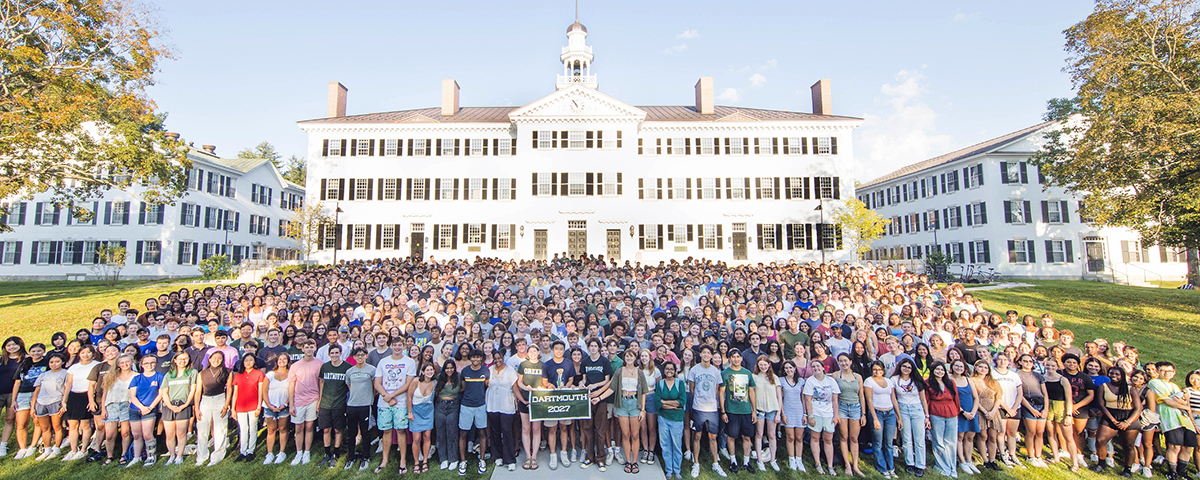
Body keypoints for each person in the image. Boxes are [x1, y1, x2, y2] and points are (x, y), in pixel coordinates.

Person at [1147, 362, 1198, 480]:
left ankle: (1182, 472)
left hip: (1185, 420)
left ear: (1174, 373)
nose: (1166, 373)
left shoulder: (1175, 386)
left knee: (1187, 447)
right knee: (1174, 446)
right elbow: (1167, 401)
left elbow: (1184, 401)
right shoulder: (1155, 383)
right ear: (1158, 371)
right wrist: (1185, 406)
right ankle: (1172, 472)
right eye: (1163, 371)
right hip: (1170, 419)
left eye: (1169, 371)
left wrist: (1184, 404)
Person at [374, 335, 416, 474]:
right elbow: (377, 383)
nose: (397, 347)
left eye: (400, 345)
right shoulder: (383, 362)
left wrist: (392, 396)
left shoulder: (409, 362)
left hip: (401, 402)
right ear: (391, 345)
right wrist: (386, 397)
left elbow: (408, 384)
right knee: (386, 431)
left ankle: (403, 460)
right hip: (384, 403)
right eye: (395, 345)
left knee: (400, 430)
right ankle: (384, 460)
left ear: (404, 346)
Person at [687, 344, 727, 478]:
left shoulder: (715, 371)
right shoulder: (694, 370)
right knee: (697, 436)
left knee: (713, 436)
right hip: (698, 407)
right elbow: (692, 389)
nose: (705, 355)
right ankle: (696, 463)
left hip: (712, 408)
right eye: (703, 353)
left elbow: (716, 389)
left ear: (711, 356)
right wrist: (699, 400)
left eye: (708, 353)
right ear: (700, 355)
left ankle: (716, 463)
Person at [1095, 366, 1142, 476]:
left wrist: (1127, 422)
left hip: (1129, 416)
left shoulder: (1131, 389)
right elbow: (1101, 404)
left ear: (1122, 376)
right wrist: (1112, 419)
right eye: (1111, 373)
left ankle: (1127, 469)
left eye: (1117, 374)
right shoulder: (1103, 386)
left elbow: (1138, 408)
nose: (1113, 376)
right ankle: (1101, 463)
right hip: (1110, 415)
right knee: (1100, 440)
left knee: (1128, 445)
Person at [612, 347, 648, 474]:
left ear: (635, 358)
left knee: (635, 434)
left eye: (631, 356)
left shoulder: (639, 373)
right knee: (625, 434)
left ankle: (635, 462)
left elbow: (643, 392)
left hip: (635, 404)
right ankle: (628, 461)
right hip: (622, 403)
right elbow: (611, 388)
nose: (629, 358)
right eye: (626, 356)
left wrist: (643, 410)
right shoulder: (619, 371)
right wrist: (598, 396)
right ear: (624, 358)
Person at [579, 338, 613, 470]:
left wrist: (596, 388)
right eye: (591, 346)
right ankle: (589, 457)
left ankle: (601, 458)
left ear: (599, 347)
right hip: (587, 398)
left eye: (595, 346)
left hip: (600, 398)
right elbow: (584, 378)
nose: (593, 348)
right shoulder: (585, 361)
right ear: (588, 348)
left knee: (600, 429)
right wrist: (583, 384)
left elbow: (607, 380)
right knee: (587, 429)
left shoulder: (604, 361)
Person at [11, 343, 47, 460]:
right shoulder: (24, 364)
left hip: (39, 394)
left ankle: (33, 445)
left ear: (43, 352)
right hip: (23, 394)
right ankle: (22, 448)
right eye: (33, 351)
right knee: (21, 423)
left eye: (38, 351)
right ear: (29, 352)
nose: (36, 353)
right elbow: (17, 382)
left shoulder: (47, 363)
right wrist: (13, 400)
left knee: (37, 421)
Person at [804, 358, 840, 476]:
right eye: (813, 367)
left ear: (823, 368)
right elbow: (808, 400)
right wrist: (810, 416)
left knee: (828, 439)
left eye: (818, 366)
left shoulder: (831, 381)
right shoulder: (810, 381)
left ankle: (830, 465)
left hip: (828, 414)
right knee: (815, 438)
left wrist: (836, 415)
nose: (816, 368)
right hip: (816, 413)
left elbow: (835, 400)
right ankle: (818, 463)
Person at [288, 339, 322, 465]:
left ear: (314, 348)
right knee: (298, 428)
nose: (309, 349)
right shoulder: (295, 366)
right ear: (302, 349)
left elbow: (321, 382)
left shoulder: (319, 364)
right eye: (306, 347)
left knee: (309, 426)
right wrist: (291, 404)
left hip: (313, 399)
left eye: (311, 347)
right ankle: (299, 452)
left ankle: (307, 452)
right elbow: (291, 385)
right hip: (298, 400)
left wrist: (319, 399)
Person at [160, 350, 197, 466]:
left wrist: (185, 405)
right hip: (169, 405)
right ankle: (172, 455)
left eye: (185, 359)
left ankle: (179, 455)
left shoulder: (192, 372)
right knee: (169, 434)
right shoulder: (169, 374)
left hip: (184, 405)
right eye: (180, 359)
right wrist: (170, 406)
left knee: (181, 433)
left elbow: (192, 390)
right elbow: (164, 392)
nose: (182, 361)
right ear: (175, 361)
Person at [317, 343, 351, 467]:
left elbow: (350, 386)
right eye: (332, 353)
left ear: (341, 353)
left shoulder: (347, 367)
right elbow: (321, 382)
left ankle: (336, 453)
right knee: (326, 429)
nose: (335, 355)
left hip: (339, 403)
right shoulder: (325, 367)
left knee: (338, 429)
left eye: (337, 352)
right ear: (328, 354)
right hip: (325, 403)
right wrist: (320, 399)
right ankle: (327, 453)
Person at [865, 360, 900, 478]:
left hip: (890, 412)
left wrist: (898, 416)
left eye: (879, 369)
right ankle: (882, 467)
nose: (877, 371)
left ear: (883, 370)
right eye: (875, 369)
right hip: (877, 412)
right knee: (878, 442)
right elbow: (869, 400)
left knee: (889, 443)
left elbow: (894, 399)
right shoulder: (869, 381)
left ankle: (891, 468)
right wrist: (874, 418)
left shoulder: (889, 381)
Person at [894, 358, 928, 476]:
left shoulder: (917, 380)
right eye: (904, 366)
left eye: (909, 367)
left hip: (917, 409)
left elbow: (923, 399)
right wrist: (899, 417)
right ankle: (910, 463)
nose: (906, 369)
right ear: (900, 367)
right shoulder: (894, 380)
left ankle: (920, 465)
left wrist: (926, 415)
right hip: (903, 409)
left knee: (919, 438)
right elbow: (894, 399)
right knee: (907, 438)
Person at [62, 345, 98, 461]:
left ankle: (83, 449)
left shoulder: (96, 365)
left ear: (93, 353)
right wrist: (64, 400)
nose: (86, 355)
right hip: (74, 396)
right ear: (79, 354)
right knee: (72, 425)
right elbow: (69, 384)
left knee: (85, 425)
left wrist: (91, 398)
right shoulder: (73, 367)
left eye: (88, 352)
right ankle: (73, 450)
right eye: (83, 352)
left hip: (86, 396)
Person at [99, 354, 135, 465]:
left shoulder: (136, 376)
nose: (125, 364)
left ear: (132, 362)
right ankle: (109, 456)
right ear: (118, 364)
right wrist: (103, 409)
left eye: (127, 362)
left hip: (127, 405)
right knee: (110, 435)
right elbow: (104, 394)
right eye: (122, 363)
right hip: (111, 405)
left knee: (125, 432)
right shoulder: (111, 376)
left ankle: (123, 455)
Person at [344, 348, 376, 471]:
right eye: (357, 355)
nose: (360, 357)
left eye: (362, 355)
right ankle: (350, 457)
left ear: (366, 356)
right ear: (354, 357)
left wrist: (370, 398)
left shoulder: (371, 370)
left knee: (365, 432)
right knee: (351, 433)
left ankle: (365, 457)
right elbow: (349, 385)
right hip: (352, 405)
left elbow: (375, 386)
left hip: (365, 405)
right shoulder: (349, 371)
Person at [486, 349, 519, 471]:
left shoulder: (510, 370)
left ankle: (510, 459)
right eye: (495, 358)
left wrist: (522, 401)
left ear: (503, 357)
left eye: (499, 358)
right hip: (493, 404)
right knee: (495, 431)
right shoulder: (489, 370)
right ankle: (497, 456)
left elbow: (515, 387)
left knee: (507, 431)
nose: (497, 360)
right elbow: (486, 384)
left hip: (506, 405)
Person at [127, 355, 162, 466]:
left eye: (152, 362)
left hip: (150, 409)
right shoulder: (137, 378)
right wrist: (142, 408)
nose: (149, 365)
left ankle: (151, 456)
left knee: (147, 434)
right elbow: (132, 396)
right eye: (146, 363)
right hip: (135, 409)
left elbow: (160, 394)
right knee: (136, 435)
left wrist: (150, 408)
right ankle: (136, 457)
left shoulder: (159, 376)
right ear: (142, 365)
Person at [834, 352, 866, 477]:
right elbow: (834, 396)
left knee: (854, 438)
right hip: (842, 407)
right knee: (843, 436)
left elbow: (861, 396)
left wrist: (863, 414)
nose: (844, 363)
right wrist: (836, 413)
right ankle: (847, 464)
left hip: (855, 407)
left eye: (846, 361)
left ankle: (856, 465)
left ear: (850, 361)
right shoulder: (836, 375)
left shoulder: (857, 377)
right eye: (841, 361)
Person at [230, 351, 265, 464]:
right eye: (246, 360)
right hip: (240, 405)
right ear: (243, 362)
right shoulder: (238, 376)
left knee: (253, 428)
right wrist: (233, 408)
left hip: (253, 405)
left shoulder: (259, 374)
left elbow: (260, 391)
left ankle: (251, 451)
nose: (248, 362)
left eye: (251, 360)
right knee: (243, 429)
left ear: (254, 362)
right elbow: (235, 393)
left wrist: (259, 406)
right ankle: (243, 451)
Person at [31, 353, 67, 460]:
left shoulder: (65, 373)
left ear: (62, 362)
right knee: (45, 428)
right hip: (41, 402)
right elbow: (36, 391)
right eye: (51, 362)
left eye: (57, 362)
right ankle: (47, 449)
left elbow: (66, 389)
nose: (54, 364)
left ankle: (57, 448)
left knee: (57, 426)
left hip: (56, 401)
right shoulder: (43, 375)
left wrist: (63, 403)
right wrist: (33, 406)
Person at [459, 349, 490, 475]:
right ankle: (463, 461)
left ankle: (482, 459)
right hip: (466, 405)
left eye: (478, 357)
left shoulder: (485, 371)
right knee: (463, 434)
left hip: (480, 405)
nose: (475, 360)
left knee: (482, 432)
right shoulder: (465, 371)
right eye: (473, 357)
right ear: (470, 358)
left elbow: (486, 386)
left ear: (481, 359)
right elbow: (463, 387)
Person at [926, 362, 960, 478]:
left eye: (942, 370)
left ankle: (952, 467)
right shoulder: (928, 383)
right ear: (933, 370)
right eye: (937, 369)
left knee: (951, 442)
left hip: (951, 413)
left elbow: (956, 399)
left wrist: (957, 412)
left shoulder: (950, 383)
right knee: (938, 441)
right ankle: (942, 466)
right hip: (936, 413)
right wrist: (928, 417)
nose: (939, 372)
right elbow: (927, 400)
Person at [1017, 353, 1050, 467]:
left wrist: (1045, 409)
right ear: (1020, 362)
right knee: (1031, 431)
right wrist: (1031, 409)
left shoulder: (1038, 375)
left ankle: (1039, 456)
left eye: (1030, 361)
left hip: (1040, 404)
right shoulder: (1018, 375)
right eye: (1025, 361)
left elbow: (1045, 393)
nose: (1028, 363)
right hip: (1029, 404)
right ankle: (1031, 456)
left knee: (1040, 432)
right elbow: (1020, 395)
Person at [515, 343, 544, 470]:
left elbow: (546, 383)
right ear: (527, 353)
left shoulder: (543, 365)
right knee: (526, 429)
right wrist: (525, 387)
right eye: (530, 351)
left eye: (535, 351)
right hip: (525, 400)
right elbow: (519, 382)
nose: (532, 353)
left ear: (538, 352)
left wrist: (540, 388)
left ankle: (534, 456)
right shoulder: (523, 365)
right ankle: (528, 455)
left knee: (536, 429)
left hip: (538, 401)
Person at [950, 359, 982, 474]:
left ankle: (969, 460)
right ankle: (962, 461)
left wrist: (973, 412)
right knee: (960, 436)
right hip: (959, 412)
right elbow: (951, 399)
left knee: (970, 437)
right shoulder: (949, 380)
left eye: (961, 366)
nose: (959, 368)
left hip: (971, 412)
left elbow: (976, 398)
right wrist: (963, 412)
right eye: (956, 366)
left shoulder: (968, 380)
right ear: (952, 366)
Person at [991, 354, 1023, 467]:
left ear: (1009, 362)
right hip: (1001, 407)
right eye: (1000, 359)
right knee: (1001, 432)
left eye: (1005, 360)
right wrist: (1007, 408)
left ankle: (1013, 454)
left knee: (1012, 433)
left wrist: (1014, 408)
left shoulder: (1014, 375)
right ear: (996, 361)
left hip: (1014, 408)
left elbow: (1020, 393)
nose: (1002, 362)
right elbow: (994, 394)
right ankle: (1002, 454)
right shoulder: (992, 374)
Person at [971, 359, 1004, 471]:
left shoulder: (993, 382)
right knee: (983, 436)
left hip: (993, 411)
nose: (983, 369)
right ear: (976, 368)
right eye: (980, 367)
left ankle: (992, 460)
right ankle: (985, 459)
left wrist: (993, 411)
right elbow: (974, 397)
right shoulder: (972, 381)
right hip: (980, 410)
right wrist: (984, 411)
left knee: (993, 437)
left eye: (985, 367)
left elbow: (998, 397)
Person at [657, 361, 687, 480]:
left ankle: (677, 469)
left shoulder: (679, 384)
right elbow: (658, 402)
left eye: (671, 369)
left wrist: (666, 402)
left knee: (677, 445)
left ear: (675, 371)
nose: (669, 371)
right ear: (664, 371)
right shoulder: (661, 384)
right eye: (667, 369)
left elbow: (682, 401)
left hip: (677, 419)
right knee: (665, 445)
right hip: (663, 418)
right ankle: (669, 470)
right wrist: (673, 405)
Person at [750, 356, 780, 472]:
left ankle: (773, 459)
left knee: (772, 435)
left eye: (765, 365)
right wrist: (753, 410)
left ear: (769, 365)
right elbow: (751, 394)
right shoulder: (754, 377)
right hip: (759, 409)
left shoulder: (774, 378)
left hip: (772, 409)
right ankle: (760, 459)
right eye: (760, 365)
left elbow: (779, 397)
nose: (763, 367)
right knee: (759, 434)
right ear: (757, 365)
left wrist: (778, 413)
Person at [262, 353, 291, 465]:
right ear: (277, 361)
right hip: (270, 407)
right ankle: (270, 454)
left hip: (283, 406)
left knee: (283, 429)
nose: (282, 361)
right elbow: (264, 391)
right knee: (271, 430)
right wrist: (269, 405)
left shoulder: (290, 374)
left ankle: (281, 452)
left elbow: (291, 391)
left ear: (288, 362)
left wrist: (285, 404)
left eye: (285, 359)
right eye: (280, 359)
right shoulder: (270, 374)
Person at [408, 361, 436, 474]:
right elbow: (409, 397)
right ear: (423, 372)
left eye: (432, 370)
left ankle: (425, 461)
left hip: (428, 412)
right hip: (416, 411)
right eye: (427, 370)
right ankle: (416, 462)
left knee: (427, 436)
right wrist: (409, 412)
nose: (430, 372)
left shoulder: (435, 383)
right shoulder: (416, 381)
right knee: (416, 438)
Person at [434, 358, 462, 471]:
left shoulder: (459, 377)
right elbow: (435, 390)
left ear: (454, 368)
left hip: (453, 405)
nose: (449, 370)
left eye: (451, 368)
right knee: (440, 432)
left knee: (452, 432)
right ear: (444, 369)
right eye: (447, 368)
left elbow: (463, 388)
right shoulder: (439, 377)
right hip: (440, 405)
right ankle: (443, 459)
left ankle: (453, 459)